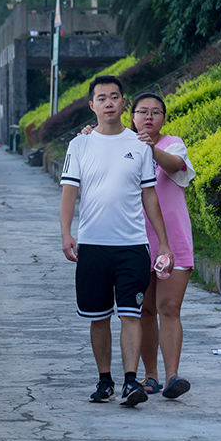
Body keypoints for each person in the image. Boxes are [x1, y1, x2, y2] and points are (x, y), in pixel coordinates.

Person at [59, 75, 173, 407]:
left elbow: (150, 196)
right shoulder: (79, 145)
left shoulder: (139, 145)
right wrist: (66, 233)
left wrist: (163, 243)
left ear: (124, 103)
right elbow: (69, 193)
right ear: (92, 105)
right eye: (102, 98)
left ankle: (131, 381)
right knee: (98, 317)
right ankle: (105, 380)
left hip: (132, 246)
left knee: (130, 314)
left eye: (114, 97)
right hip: (93, 245)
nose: (109, 103)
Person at [130, 92, 195, 399]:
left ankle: (172, 376)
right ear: (132, 116)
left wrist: (151, 149)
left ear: (164, 118)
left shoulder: (173, 144)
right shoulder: (122, 145)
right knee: (144, 310)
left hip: (174, 239)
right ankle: (150, 376)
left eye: (155, 112)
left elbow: (176, 166)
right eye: (142, 111)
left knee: (169, 308)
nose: (149, 117)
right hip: (135, 238)